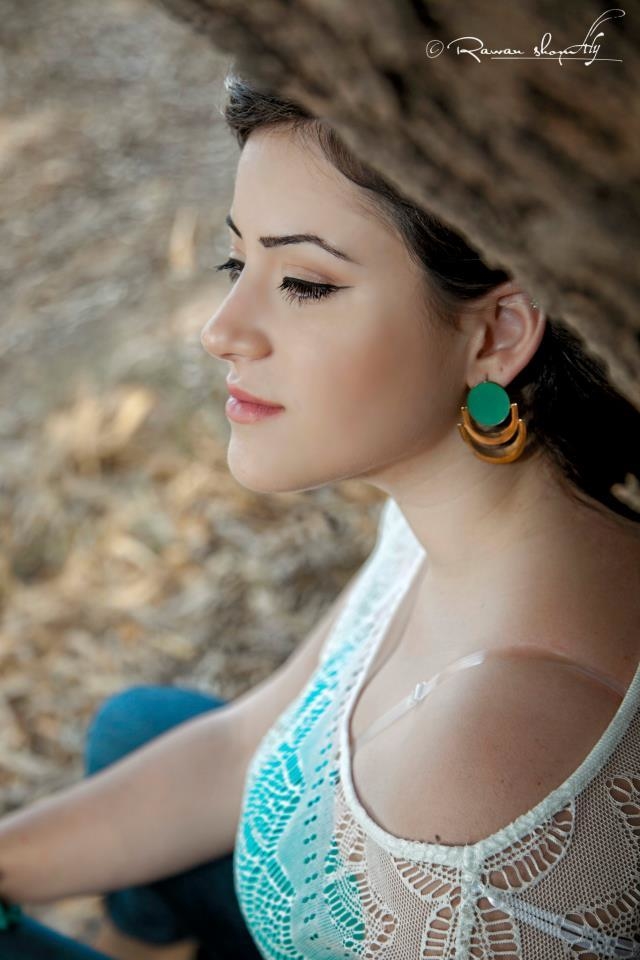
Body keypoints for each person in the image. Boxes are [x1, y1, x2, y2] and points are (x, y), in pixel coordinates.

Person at [1, 66, 640, 960]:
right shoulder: (455, 520)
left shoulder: (483, 767)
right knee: (136, 728)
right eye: (239, 263)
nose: (220, 330)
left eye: (304, 283)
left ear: (497, 334)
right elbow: (243, 745)